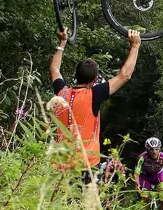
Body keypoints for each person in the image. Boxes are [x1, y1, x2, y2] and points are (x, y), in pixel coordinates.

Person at [49, 27, 141, 181]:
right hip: (86, 167)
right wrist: (135, 46)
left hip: (60, 166)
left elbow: (54, 69)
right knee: (85, 205)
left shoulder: (61, 93)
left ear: (76, 76)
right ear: (95, 79)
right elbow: (124, 75)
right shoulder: (94, 95)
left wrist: (62, 42)